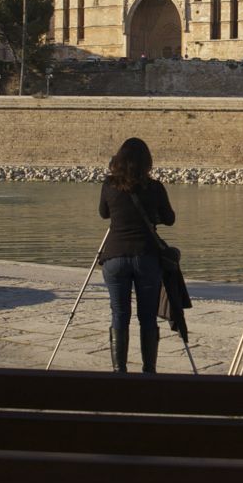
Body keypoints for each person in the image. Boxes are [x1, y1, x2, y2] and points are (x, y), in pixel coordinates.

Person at [98, 137, 175, 373]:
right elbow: (170, 219)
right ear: (147, 162)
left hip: (115, 256)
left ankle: (119, 371)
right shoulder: (155, 188)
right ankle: (148, 371)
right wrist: (154, 216)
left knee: (119, 313)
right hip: (146, 257)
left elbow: (103, 214)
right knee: (147, 316)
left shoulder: (109, 185)